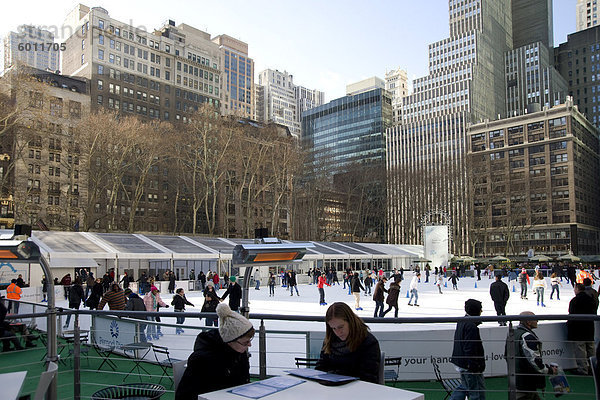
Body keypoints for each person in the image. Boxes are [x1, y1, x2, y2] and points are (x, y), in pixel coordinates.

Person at [176, 302, 254, 400]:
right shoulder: (202, 360)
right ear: (230, 341)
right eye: (245, 342)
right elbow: (185, 395)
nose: (249, 345)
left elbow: (243, 383)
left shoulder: (239, 353)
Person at [315, 302, 381, 383]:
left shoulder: (368, 343)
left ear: (350, 321)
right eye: (333, 328)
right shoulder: (330, 340)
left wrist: (337, 375)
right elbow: (321, 367)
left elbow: (368, 377)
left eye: (341, 327)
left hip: (358, 392)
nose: (338, 332)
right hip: (332, 391)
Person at [507, 311, 558, 398]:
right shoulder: (527, 336)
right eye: (535, 319)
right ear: (528, 322)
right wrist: (550, 370)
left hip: (516, 380)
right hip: (526, 383)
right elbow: (535, 361)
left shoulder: (513, 334)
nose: (537, 321)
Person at [450, 299, 486, 400]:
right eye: (480, 309)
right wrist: (474, 365)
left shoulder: (463, 322)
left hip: (462, 362)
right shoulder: (471, 326)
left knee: (465, 386)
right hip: (469, 365)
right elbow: (470, 347)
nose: (482, 311)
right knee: (476, 391)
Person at [567, 283, 599, 375]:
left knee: (580, 351)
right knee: (591, 349)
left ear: (577, 289)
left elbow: (571, 314)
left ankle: (583, 369)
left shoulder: (575, 300)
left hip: (578, 330)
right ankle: (593, 368)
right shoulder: (591, 299)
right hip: (589, 329)